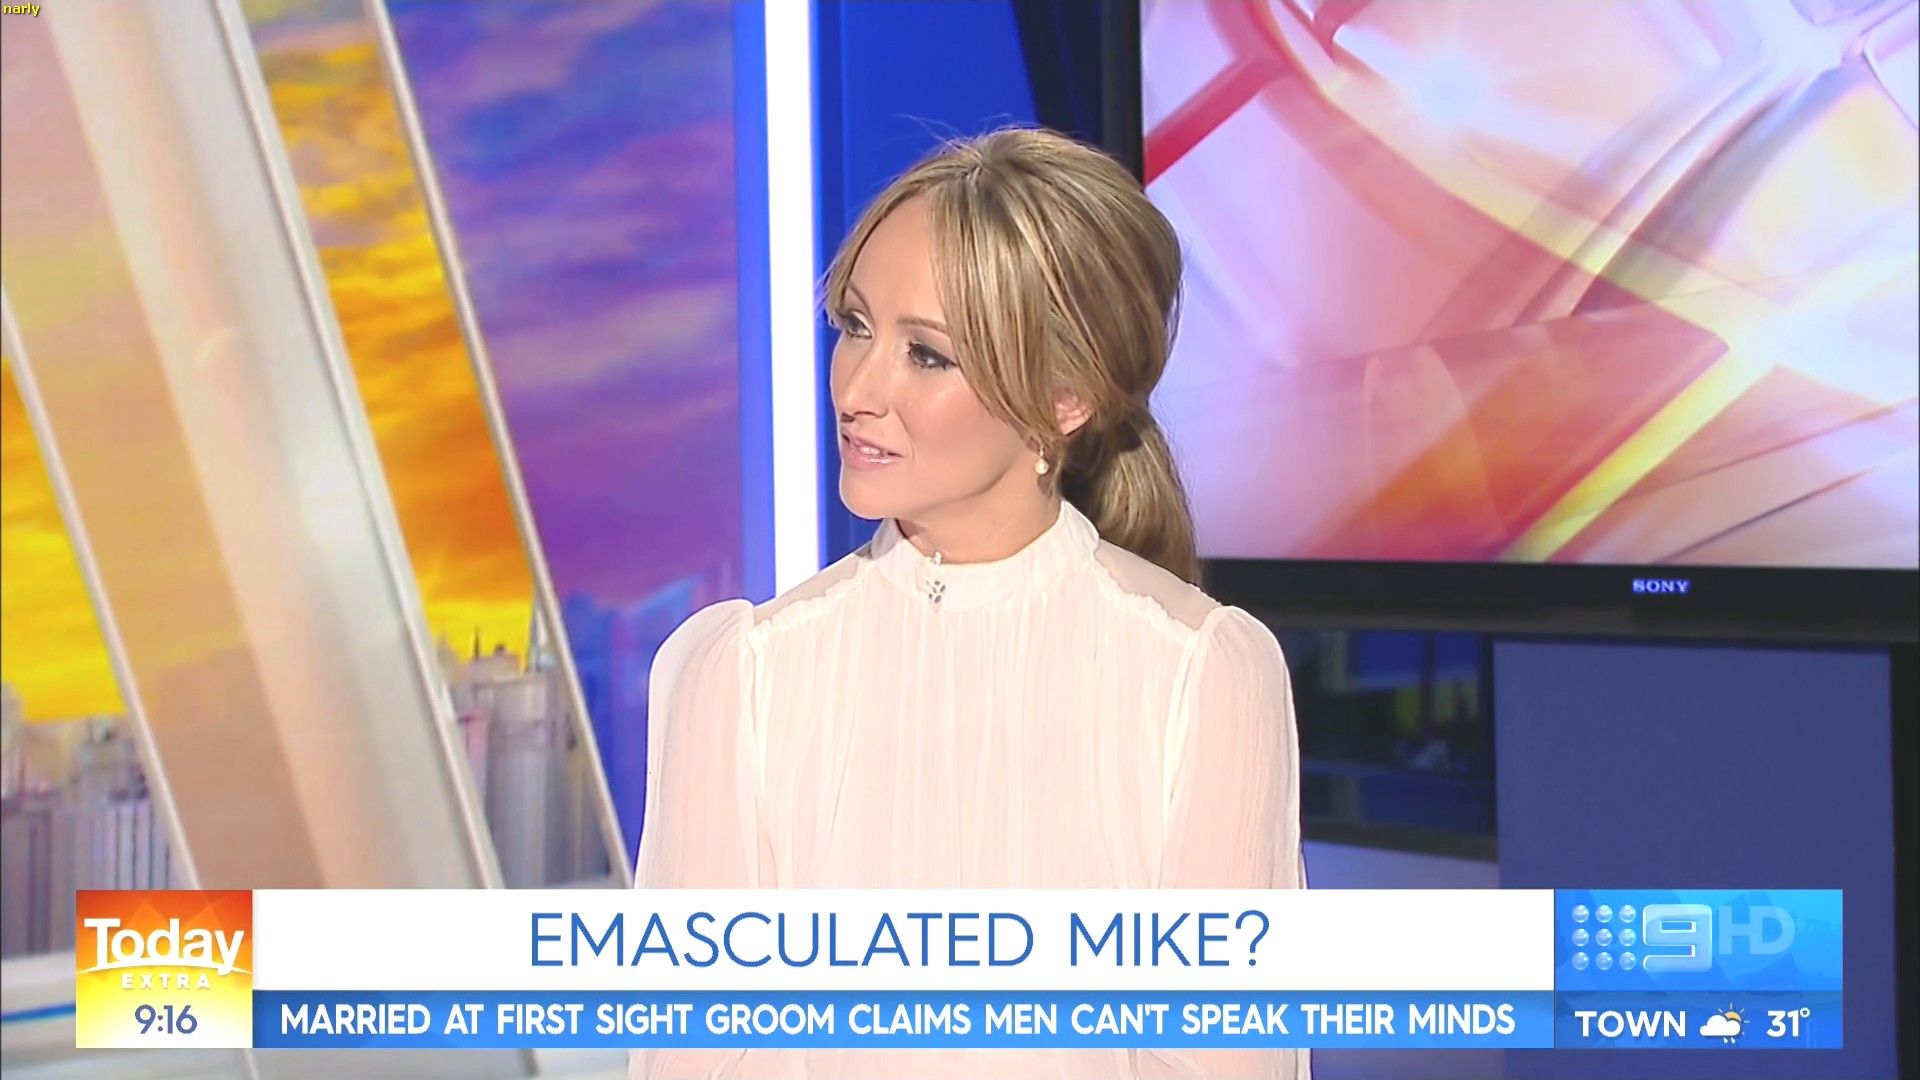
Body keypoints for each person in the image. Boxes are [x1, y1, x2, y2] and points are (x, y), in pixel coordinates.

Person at [632, 126, 1308, 1080]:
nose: (858, 389)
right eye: (856, 326)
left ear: (1064, 398)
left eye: (926, 354)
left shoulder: (1203, 674)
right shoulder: (740, 679)